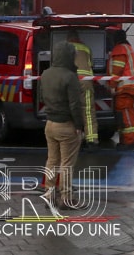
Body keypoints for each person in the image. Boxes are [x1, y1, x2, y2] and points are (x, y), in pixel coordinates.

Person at [40, 41, 84, 210]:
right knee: (67, 164)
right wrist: (79, 125)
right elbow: (75, 104)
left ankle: (49, 195)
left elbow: (42, 98)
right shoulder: (69, 76)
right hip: (66, 125)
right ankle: (66, 198)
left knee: (52, 161)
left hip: (50, 124)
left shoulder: (46, 74)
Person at [108, 29, 134, 151]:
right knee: (128, 114)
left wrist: (112, 86)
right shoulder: (127, 48)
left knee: (125, 115)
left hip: (125, 88)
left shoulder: (120, 49)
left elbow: (117, 70)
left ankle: (129, 142)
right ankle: (127, 140)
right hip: (130, 87)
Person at [66, 30, 98, 152]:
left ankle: (73, 140)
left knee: (71, 110)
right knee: (88, 111)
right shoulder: (86, 48)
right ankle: (92, 140)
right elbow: (92, 65)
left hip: (71, 82)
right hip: (86, 82)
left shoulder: (66, 48)